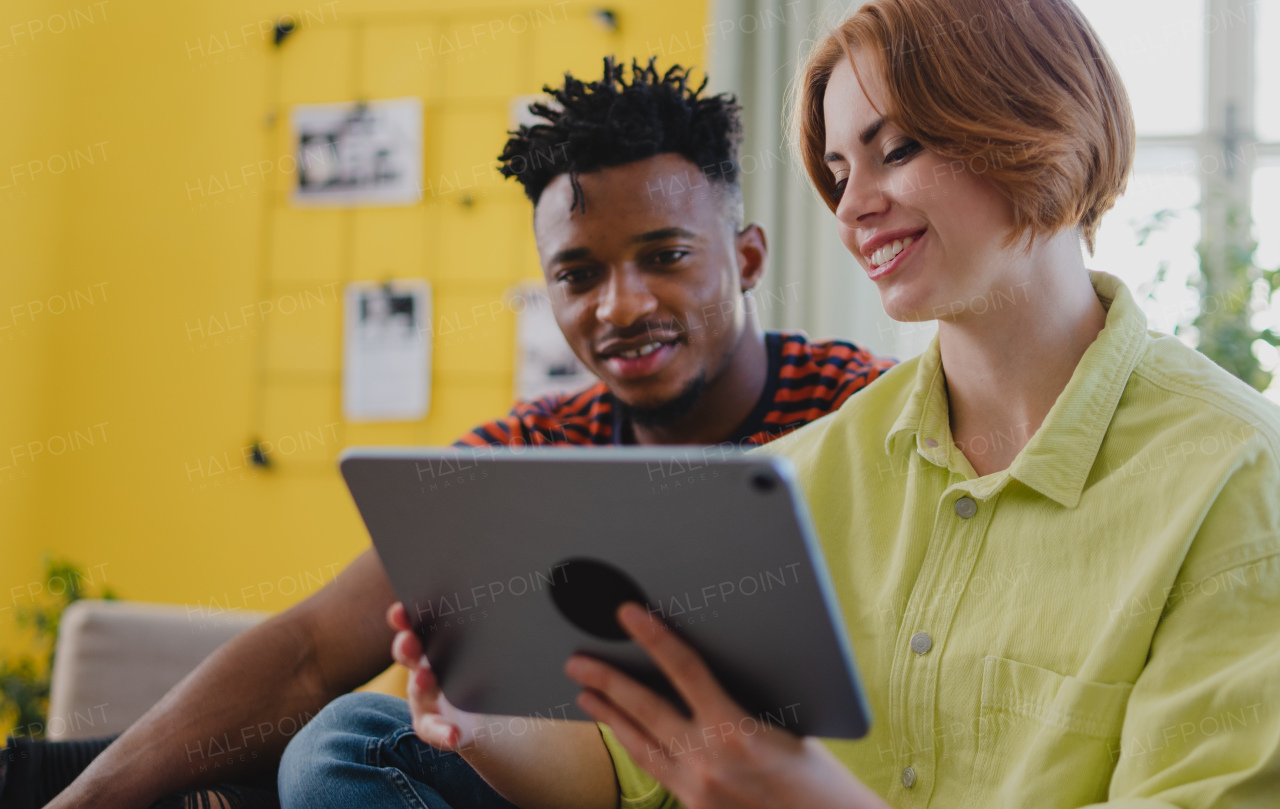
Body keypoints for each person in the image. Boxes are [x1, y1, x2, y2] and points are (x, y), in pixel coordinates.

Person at [345, 1, 1280, 807]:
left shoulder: (1232, 477)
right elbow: (633, 775)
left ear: (1038, 121)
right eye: (839, 172)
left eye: (896, 151)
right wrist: (474, 713)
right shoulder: (796, 478)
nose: (851, 208)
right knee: (355, 732)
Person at [0, 58, 894, 809]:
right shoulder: (530, 454)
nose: (620, 305)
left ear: (745, 257)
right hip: (549, 786)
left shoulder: (868, 412)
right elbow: (311, 650)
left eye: (665, 256)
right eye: (578, 273)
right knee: (342, 745)